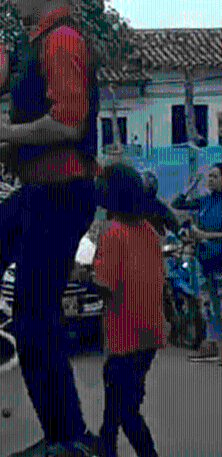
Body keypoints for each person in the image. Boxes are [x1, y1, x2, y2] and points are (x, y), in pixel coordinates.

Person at [0, 0, 101, 456]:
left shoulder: (63, 41)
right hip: (44, 189)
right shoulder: (37, 46)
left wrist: (3, 132)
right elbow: (36, 134)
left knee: (36, 319)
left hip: (62, 194)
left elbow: (67, 123)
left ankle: (68, 438)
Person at [88, 162, 167, 457]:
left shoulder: (114, 232)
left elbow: (105, 285)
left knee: (126, 411)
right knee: (115, 401)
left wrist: (87, 275)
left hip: (125, 335)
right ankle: (106, 447)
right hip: (150, 333)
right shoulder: (147, 229)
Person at [171, 163, 222, 364]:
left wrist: (206, 235)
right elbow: (177, 204)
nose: (210, 180)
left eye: (215, 176)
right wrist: (191, 187)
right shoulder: (206, 201)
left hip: (219, 261)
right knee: (210, 307)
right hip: (206, 261)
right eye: (209, 177)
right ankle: (212, 346)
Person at [140, 169, 179, 238]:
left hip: (156, 242)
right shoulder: (132, 204)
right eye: (148, 183)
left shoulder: (158, 205)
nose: (151, 186)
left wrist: (181, 233)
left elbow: (173, 223)